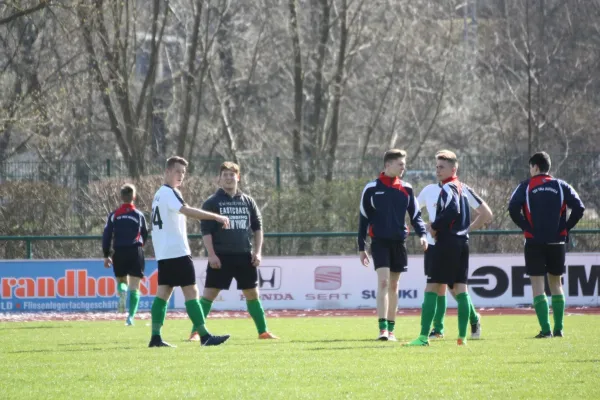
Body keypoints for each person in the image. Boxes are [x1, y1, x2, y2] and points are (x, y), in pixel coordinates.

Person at [188, 162, 279, 341]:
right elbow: (206, 231)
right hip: (221, 257)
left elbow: (258, 228)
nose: (229, 178)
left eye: (232, 175)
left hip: (245, 256)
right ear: (219, 179)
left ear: (238, 177)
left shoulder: (248, 201)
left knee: (252, 294)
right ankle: (196, 332)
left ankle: (263, 331)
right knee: (209, 295)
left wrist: (258, 252)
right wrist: (212, 254)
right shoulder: (212, 202)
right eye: (225, 175)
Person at [148, 156, 231, 347]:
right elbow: (187, 211)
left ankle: (155, 337)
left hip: (164, 252)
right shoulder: (170, 193)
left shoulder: (159, 194)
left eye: (183, 173)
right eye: (177, 171)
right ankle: (204, 335)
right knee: (191, 292)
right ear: (167, 171)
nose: (181, 176)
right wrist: (216, 217)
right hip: (177, 251)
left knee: (163, 294)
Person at [405, 150, 484, 346]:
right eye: (437, 167)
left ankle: (423, 337)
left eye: (442, 167)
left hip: (446, 243)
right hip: (461, 243)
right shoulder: (461, 188)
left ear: (453, 169)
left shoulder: (448, 188)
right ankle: (462, 337)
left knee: (432, 287)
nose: (438, 170)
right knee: (460, 289)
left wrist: (434, 226)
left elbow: (452, 210)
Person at [508, 151, 584, 338]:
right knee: (556, 283)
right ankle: (559, 329)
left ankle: (545, 329)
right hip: (557, 241)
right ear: (548, 167)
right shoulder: (561, 185)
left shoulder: (525, 186)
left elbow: (512, 208)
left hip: (534, 241)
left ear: (534, 167)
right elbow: (579, 207)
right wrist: (565, 227)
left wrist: (526, 226)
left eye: (530, 167)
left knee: (537, 284)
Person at [358, 149, 428, 342]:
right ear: (388, 165)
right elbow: (363, 220)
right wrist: (361, 247)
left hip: (399, 242)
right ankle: (382, 330)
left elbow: (415, 216)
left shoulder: (407, 189)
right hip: (379, 242)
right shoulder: (371, 189)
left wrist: (422, 235)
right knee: (383, 282)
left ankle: (391, 330)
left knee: (395, 285)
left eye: (404, 165)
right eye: (400, 164)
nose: (403, 168)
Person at [102, 184, 148, 326]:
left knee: (122, 282)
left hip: (119, 251)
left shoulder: (114, 215)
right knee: (135, 286)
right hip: (135, 251)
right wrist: (140, 247)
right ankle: (131, 317)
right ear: (134, 197)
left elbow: (107, 235)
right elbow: (145, 234)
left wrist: (106, 254)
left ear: (121, 197)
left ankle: (122, 292)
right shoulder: (139, 215)